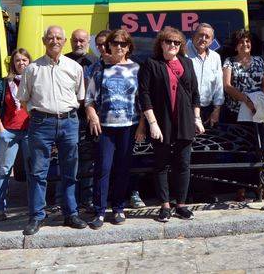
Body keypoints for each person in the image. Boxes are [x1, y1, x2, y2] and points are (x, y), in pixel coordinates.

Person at [18, 26, 87, 236]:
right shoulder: (32, 69)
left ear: (64, 41)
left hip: (69, 122)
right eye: (50, 37)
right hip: (41, 124)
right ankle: (37, 216)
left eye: (58, 38)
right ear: (43, 40)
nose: (54, 41)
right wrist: (40, 117)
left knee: (70, 172)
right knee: (38, 172)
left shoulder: (75, 67)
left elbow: (80, 96)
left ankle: (71, 214)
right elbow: (23, 100)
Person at [137, 26, 205, 222]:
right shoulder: (151, 64)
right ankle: (165, 205)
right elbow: (144, 95)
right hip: (161, 121)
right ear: (161, 43)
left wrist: (197, 118)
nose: (173, 45)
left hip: (184, 121)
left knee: (183, 165)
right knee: (161, 165)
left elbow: (195, 94)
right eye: (169, 41)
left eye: (177, 42)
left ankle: (181, 205)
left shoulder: (187, 63)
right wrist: (152, 123)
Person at [85, 29, 143, 228]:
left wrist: (142, 125)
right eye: (115, 43)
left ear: (129, 47)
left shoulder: (136, 69)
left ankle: (118, 208)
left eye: (123, 44)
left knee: (122, 169)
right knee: (103, 168)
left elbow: (142, 100)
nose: (119, 46)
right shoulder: (99, 69)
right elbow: (89, 98)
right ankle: (99, 211)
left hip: (129, 126)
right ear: (108, 45)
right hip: (105, 128)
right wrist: (92, 115)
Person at [0, 48, 33, 221]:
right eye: (17, 60)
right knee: (5, 170)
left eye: (24, 60)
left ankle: (34, 208)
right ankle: (0, 209)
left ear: (29, 62)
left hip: (30, 131)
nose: (21, 63)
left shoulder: (34, 80)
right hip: (9, 132)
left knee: (32, 171)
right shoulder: (4, 83)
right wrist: (1, 130)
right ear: (13, 63)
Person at [64, 29, 99, 209]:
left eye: (82, 41)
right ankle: (68, 201)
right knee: (69, 159)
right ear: (70, 41)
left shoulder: (95, 62)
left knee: (88, 162)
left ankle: (87, 199)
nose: (78, 44)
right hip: (69, 117)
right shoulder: (63, 61)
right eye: (75, 40)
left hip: (90, 118)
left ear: (88, 42)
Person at [222, 29, 264, 124]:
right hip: (236, 112)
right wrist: (247, 101)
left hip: (256, 110)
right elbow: (227, 86)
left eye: (247, 41)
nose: (245, 44)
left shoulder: (259, 60)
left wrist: (258, 102)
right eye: (240, 42)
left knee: (256, 138)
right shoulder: (229, 61)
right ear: (235, 47)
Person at [186, 23, 225, 127]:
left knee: (207, 141)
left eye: (207, 37)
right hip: (186, 109)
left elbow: (218, 85)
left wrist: (216, 110)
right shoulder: (183, 53)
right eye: (200, 35)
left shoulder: (215, 57)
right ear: (193, 36)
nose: (203, 39)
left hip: (208, 110)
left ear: (211, 41)